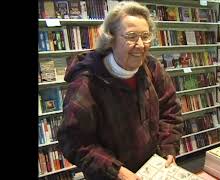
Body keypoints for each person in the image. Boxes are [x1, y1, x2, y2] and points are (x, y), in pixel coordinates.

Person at [57, 1, 183, 180]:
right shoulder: (86, 83)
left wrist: (168, 148)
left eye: (145, 36)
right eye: (131, 36)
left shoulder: (152, 67)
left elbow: (170, 110)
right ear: (111, 38)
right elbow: (74, 141)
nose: (140, 45)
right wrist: (116, 171)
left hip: (153, 170)